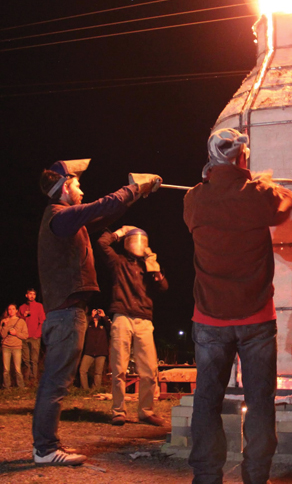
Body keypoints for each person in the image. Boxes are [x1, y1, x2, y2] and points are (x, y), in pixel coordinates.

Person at [183, 128, 292, 484]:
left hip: (209, 318)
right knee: (260, 400)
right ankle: (255, 476)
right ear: (241, 158)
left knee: (207, 399)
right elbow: (286, 205)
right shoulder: (258, 195)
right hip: (256, 318)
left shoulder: (193, 199)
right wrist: (268, 184)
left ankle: (206, 476)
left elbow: (209, 208)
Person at [33, 158, 160, 466]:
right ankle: (46, 449)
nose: (81, 188)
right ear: (64, 187)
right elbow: (101, 205)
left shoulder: (66, 222)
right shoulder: (59, 217)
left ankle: (45, 447)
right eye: (76, 184)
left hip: (67, 312)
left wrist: (137, 195)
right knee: (55, 383)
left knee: (56, 382)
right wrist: (135, 186)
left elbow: (104, 212)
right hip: (65, 314)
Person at [97, 226, 168, 427]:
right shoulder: (118, 262)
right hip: (122, 317)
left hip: (144, 319)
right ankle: (118, 411)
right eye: (134, 240)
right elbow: (102, 243)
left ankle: (146, 412)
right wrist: (119, 232)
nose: (138, 244)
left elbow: (163, 287)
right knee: (119, 367)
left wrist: (155, 270)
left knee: (149, 369)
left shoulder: (149, 265)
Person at [18, 288, 46, 384]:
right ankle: (26, 379)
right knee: (26, 360)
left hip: (35, 337)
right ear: (26, 295)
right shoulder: (22, 307)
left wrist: (37, 334)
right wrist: (23, 316)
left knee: (34, 360)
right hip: (24, 337)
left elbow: (42, 321)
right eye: (30, 294)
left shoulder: (39, 306)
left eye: (33, 294)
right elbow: (18, 321)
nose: (32, 296)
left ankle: (33, 380)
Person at [79, 308, 111, 390]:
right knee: (82, 370)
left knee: (98, 373)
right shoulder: (89, 325)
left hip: (101, 352)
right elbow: (82, 326)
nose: (97, 315)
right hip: (89, 352)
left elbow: (111, 328)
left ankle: (95, 389)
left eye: (98, 314)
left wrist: (103, 316)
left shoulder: (104, 325)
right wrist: (91, 317)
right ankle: (85, 389)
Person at [1, 303, 29, 388]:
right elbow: (2, 335)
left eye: (13, 309)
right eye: (9, 309)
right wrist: (4, 325)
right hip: (6, 347)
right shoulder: (4, 321)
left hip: (17, 347)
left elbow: (25, 335)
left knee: (18, 369)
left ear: (16, 311)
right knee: (6, 369)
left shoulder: (21, 321)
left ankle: (20, 386)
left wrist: (16, 333)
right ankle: (6, 386)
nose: (11, 311)